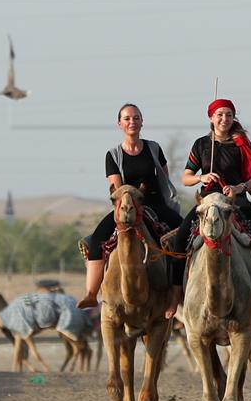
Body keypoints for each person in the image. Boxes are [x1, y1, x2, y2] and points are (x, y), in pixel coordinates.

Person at [163, 99, 251, 319]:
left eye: (229, 115)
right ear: (211, 118)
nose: (224, 119)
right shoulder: (202, 145)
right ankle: (176, 293)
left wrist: (238, 187)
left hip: (235, 201)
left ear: (234, 118)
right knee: (180, 239)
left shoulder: (241, 145)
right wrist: (201, 177)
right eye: (220, 115)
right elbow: (185, 178)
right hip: (207, 202)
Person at [78, 103, 182, 309]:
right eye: (127, 118)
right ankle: (91, 293)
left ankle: (181, 290)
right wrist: (132, 197)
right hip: (126, 205)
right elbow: (116, 188)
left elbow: (164, 178)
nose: (132, 122)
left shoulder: (154, 148)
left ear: (142, 121)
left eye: (136, 118)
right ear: (119, 124)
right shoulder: (113, 155)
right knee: (97, 238)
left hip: (154, 204)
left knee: (184, 233)